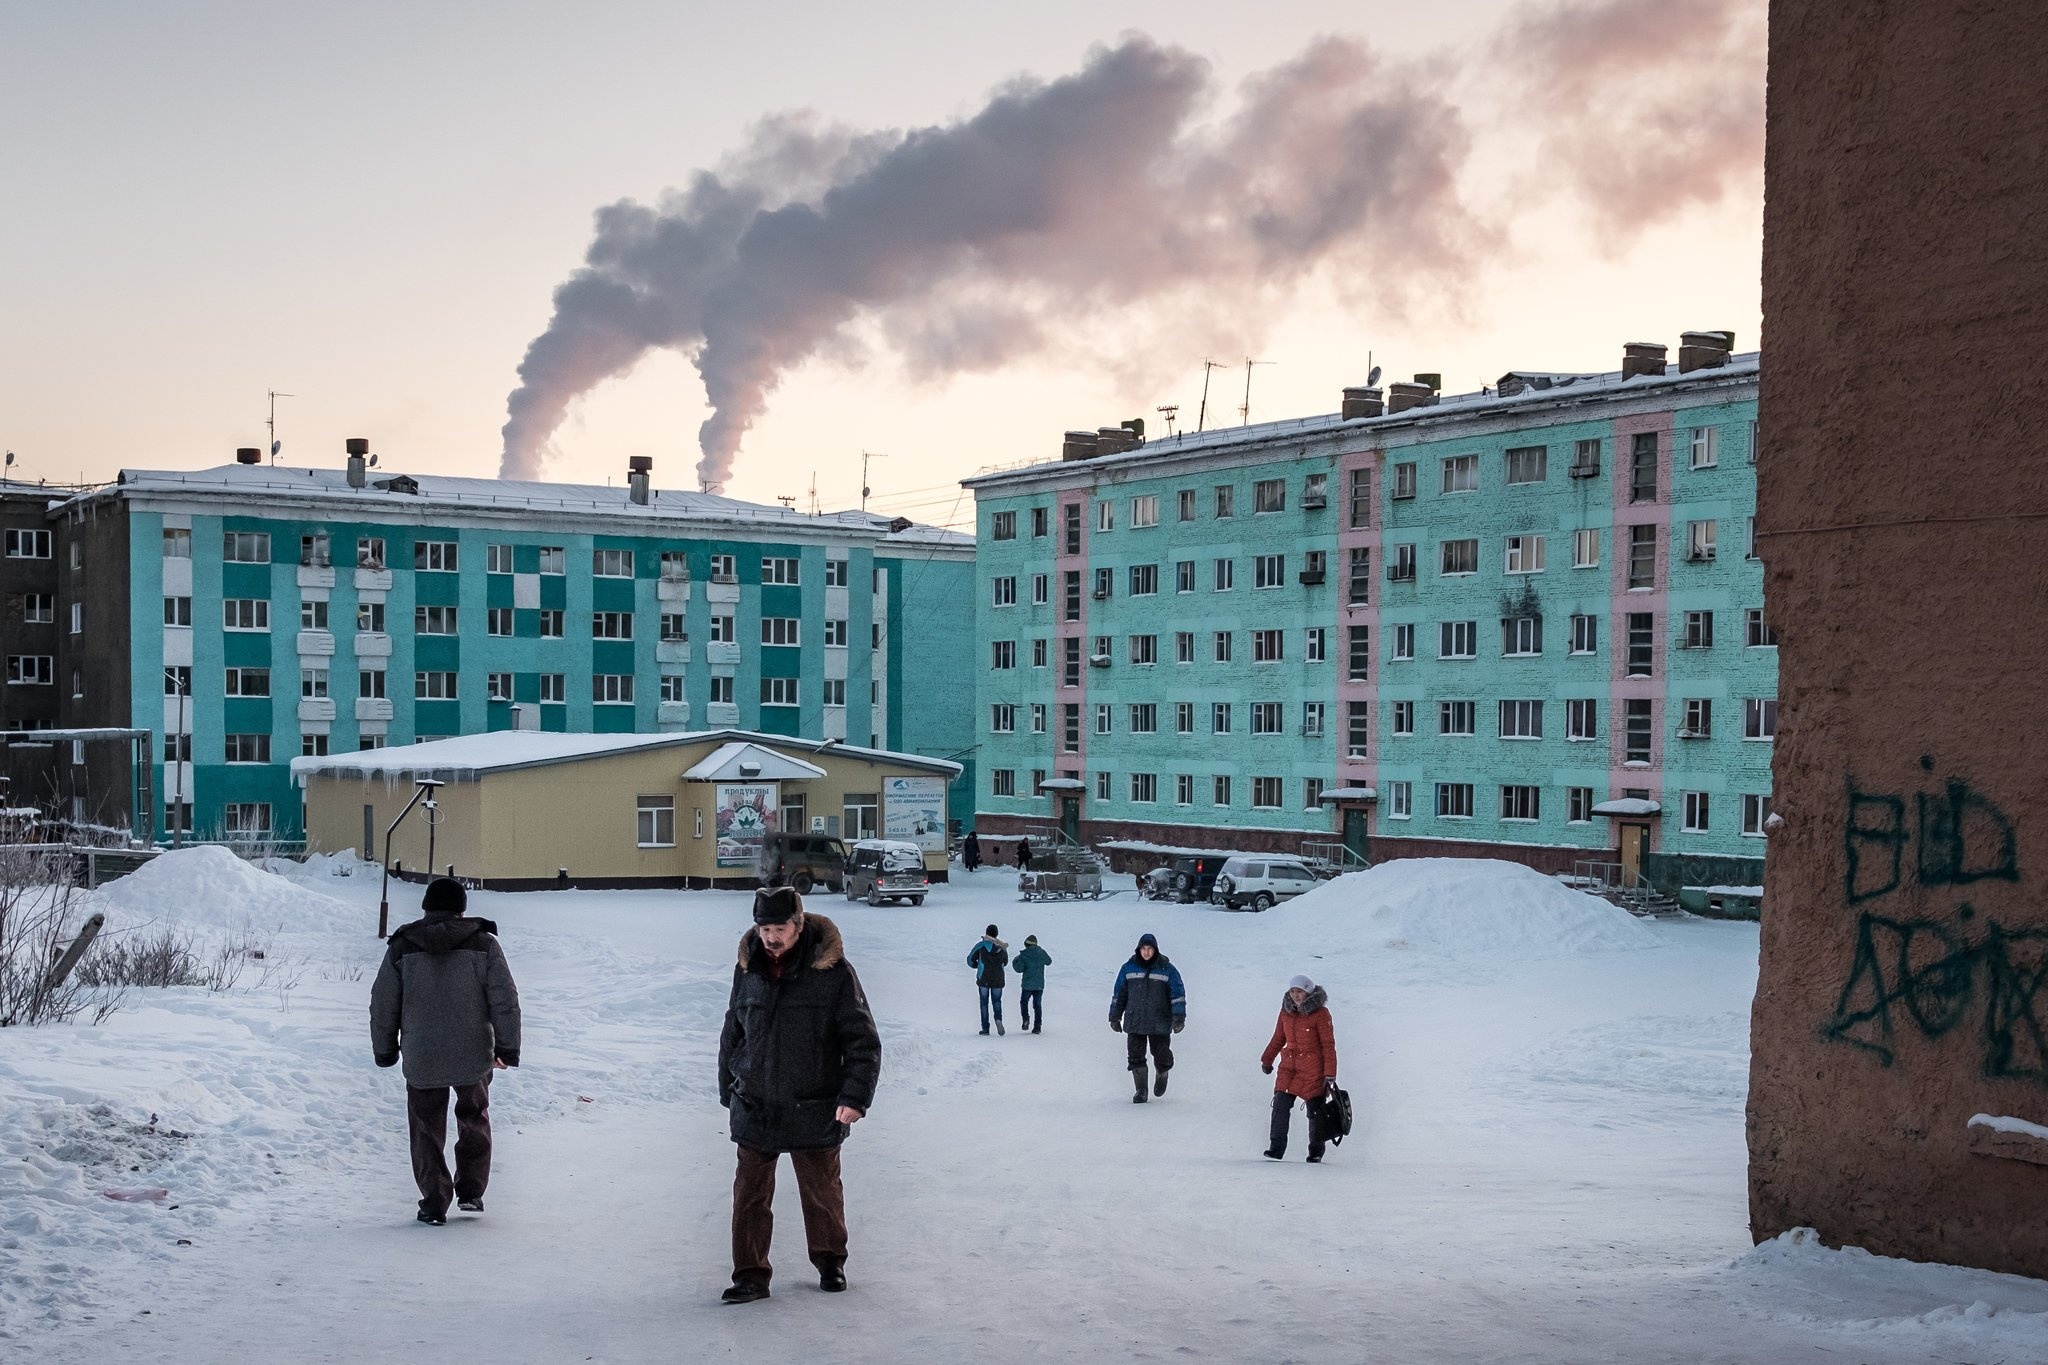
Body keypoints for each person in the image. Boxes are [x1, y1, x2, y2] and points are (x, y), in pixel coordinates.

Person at [719, 886, 881, 1304]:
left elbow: (862, 1042)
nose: (770, 937)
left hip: (815, 1103)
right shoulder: (748, 967)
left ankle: (831, 1262)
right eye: (764, 927)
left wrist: (855, 1097)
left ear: (799, 924)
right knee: (750, 1196)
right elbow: (733, 1031)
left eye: (779, 928)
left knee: (822, 1193)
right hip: (755, 1103)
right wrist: (729, 1087)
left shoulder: (833, 973)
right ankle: (750, 1276)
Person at [369, 877, 521, 1226]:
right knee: (474, 1116)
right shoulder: (484, 943)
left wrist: (385, 1050)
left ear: (426, 908)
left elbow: (383, 1003)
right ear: (461, 910)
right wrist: (507, 1048)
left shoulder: (402, 946)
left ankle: (434, 1203)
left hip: (422, 1053)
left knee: (425, 1128)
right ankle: (470, 1192)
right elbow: (504, 1000)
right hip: (473, 1052)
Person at [1261, 974, 1338, 1163]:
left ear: (1308, 992)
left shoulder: (1321, 1014)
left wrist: (1329, 1074)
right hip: (1289, 1066)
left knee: (1315, 1112)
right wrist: (1267, 1059)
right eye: (1293, 991)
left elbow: (1328, 1045)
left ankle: (1316, 1152)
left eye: (1300, 991)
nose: (1296, 995)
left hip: (1313, 1069)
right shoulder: (1285, 1012)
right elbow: (1279, 1037)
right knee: (1280, 1105)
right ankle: (1276, 1148)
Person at [1108, 932, 1185, 1103]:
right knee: (1135, 1056)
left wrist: (1178, 1017)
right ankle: (1141, 1090)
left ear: (1155, 950)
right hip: (1135, 1019)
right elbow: (1119, 994)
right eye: (1144, 949)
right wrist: (1115, 1016)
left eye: (1150, 949)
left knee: (1162, 1055)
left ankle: (1162, 1072)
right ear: (1138, 949)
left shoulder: (1167, 969)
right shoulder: (1128, 968)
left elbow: (1177, 994)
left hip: (1159, 1020)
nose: (1147, 952)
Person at [968, 924, 1009, 1036]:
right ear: (996, 934)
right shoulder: (1002, 947)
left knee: (984, 1002)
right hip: (998, 978)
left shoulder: (981, 946)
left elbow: (970, 960)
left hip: (984, 978)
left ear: (986, 933)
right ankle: (998, 1019)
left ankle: (985, 1028)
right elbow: (1005, 962)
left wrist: (978, 966)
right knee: (996, 1001)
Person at [1013, 934, 1051, 1034]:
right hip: (1039, 984)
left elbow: (1019, 969)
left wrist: (1015, 961)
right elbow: (1049, 961)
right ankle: (1037, 1026)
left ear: (1026, 944)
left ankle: (1026, 1019)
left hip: (1027, 984)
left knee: (1024, 1002)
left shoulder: (1024, 955)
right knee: (1037, 1004)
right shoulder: (1042, 953)